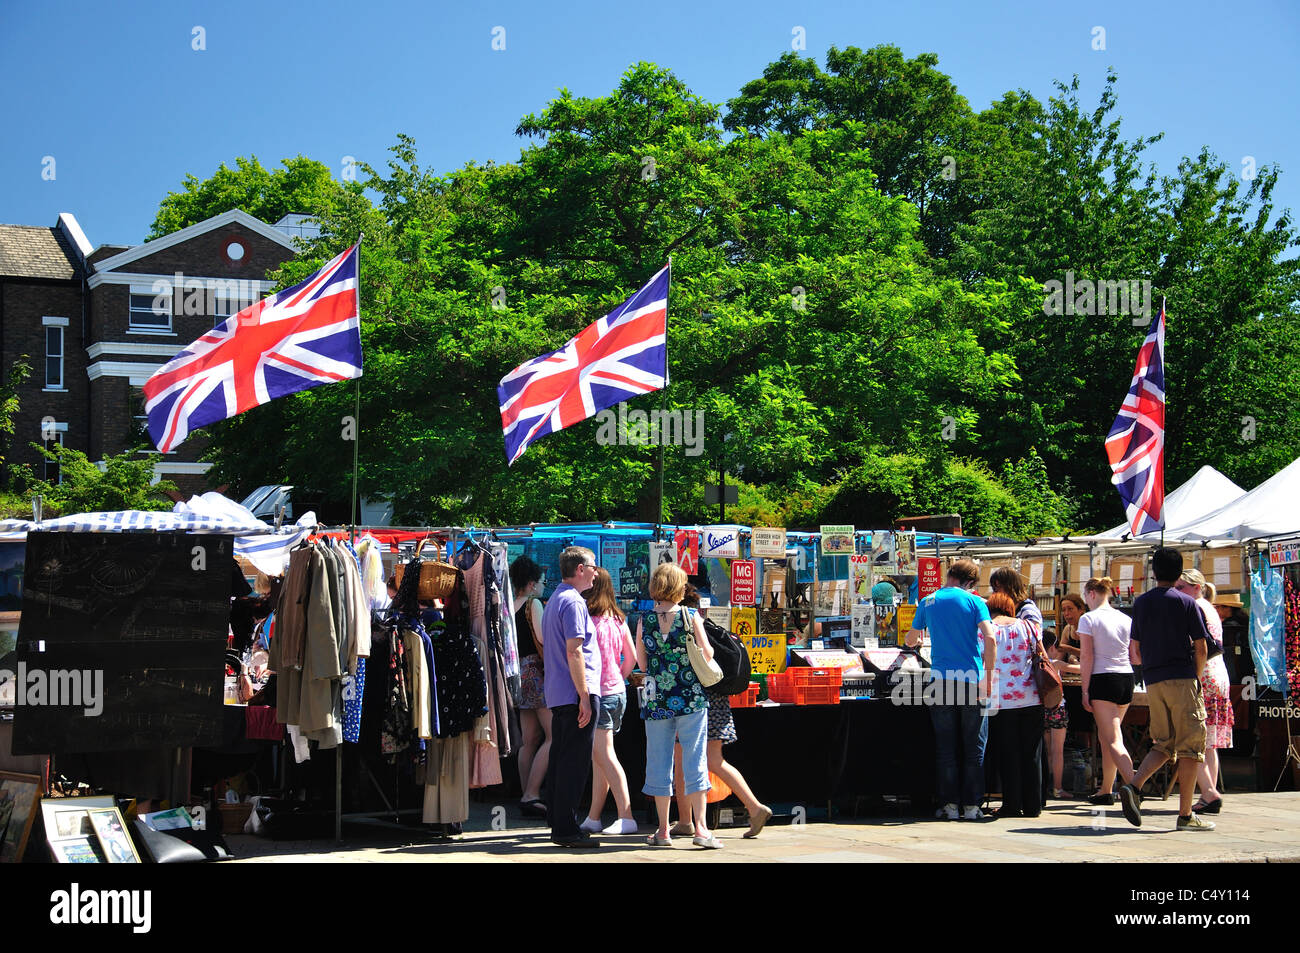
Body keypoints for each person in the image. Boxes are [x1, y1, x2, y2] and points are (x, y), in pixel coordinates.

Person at [1117, 548, 1214, 831]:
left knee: (1164, 742)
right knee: (1191, 747)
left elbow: (1134, 649)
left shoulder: (1142, 603)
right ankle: (1185, 815)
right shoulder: (1186, 602)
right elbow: (1202, 646)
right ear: (1179, 572)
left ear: (1153, 572)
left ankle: (1133, 786)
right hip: (1182, 678)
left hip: (1154, 680)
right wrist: (1195, 677)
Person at [670, 586, 774, 839]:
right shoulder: (705, 623)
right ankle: (754, 806)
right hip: (718, 700)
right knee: (715, 760)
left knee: (681, 761)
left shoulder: (685, 624)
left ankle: (686, 821)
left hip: (695, 700)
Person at [636, 562, 721, 848]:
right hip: (691, 697)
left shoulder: (644, 619)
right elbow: (707, 652)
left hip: (657, 699)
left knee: (658, 761)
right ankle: (701, 829)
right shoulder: (689, 615)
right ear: (677, 586)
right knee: (694, 760)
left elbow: (642, 662)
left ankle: (663, 830)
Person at [905, 558, 998, 822]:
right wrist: (989, 677)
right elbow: (990, 638)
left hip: (941, 681)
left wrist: (914, 638)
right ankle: (971, 807)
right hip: (971, 678)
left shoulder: (928, 601)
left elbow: (911, 639)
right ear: (970, 582)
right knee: (974, 747)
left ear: (949, 575)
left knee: (946, 748)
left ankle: (949, 806)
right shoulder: (975, 601)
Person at [540, 546, 603, 848]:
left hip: (559, 692)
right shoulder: (573, 602)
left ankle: (558, 820)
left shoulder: (555, 599)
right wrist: (585, 696)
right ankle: (566, 828)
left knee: (561, 758)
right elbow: (574, 650)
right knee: (573, 763)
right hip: (574, 692)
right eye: (593, 566)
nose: (596, 571)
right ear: (580, 569)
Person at [579, 568, 639, 835]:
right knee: (600, 758)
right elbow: (632, 657)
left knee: (603, 755)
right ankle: (593, 817)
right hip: (617, 693)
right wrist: (620, 678)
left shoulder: (590, 620)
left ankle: (626, 815)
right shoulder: (618, 619)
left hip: (599, 694)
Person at [1076, 576, 1136, 805]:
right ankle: (1106, 789)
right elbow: (1133, 655)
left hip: (1103, 678)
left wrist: (1085, 689)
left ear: (1091, 593)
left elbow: (1087, 655)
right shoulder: (1124, 618)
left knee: (1112, 739)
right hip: (1125, 677)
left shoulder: (1088, 619)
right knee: (1108, 736)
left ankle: (1134, 785)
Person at [1177, 569, 1233, 815]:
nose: (1177, 592)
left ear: (1196, 587)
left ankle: (1209, 793)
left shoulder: (1196, 607)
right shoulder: (1209, 607)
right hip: (1218, 674)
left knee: (1192, 740)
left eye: (1182, 587)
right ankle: (1208, 792)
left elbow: (1195, 645)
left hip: (1204, 676)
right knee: (1208, 743)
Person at [986, 592, 1044, 818]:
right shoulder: (1029, 627)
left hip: (1002, 700)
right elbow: (1042, 655)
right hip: (1031, 697)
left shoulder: (988, 629)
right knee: (1032, 753)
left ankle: (1012, 804)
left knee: (1008, 753)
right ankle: (1033, 805)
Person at [510, 555, 550, 819]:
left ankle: (526, 794)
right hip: (536, 671)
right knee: (553, 735)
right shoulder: (534, 604)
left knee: (529, 740)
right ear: (533, 583)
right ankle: (532, 793)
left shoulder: (510, 606)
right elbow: (543, 639)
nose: (545, 587)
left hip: (517, 674)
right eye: (543, 582)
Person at [1041, 628, 1076, 799]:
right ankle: (1058, 788)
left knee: (1046, 750)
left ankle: (1045, 786)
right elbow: (1082, 669)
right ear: (1053, 647)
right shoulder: (1055, 663)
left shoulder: (1036, 663)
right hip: (1057, 709)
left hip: (1041, 710)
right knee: (1058, 751)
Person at [1056, 593, 1086, 661]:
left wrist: (1070, 649)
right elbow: (1059, 656)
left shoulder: (1089, 628)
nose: (1066, 613)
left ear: (1081, 610)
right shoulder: (1067, 629)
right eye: (1063, 610)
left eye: (1070, 609)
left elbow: (1091, 654)